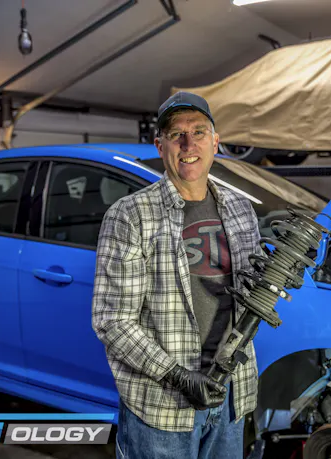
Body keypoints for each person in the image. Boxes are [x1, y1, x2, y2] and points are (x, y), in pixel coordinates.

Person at [92, 91, 261, 459]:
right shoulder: (130, 215)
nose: (188, 143)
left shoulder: (240, 208)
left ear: (215, 142)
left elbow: (252, 292)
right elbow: (113, 320)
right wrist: (177, 376)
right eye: (176, 134)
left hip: (231, 393)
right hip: (162, 404)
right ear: (160, 145)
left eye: (199, 132)